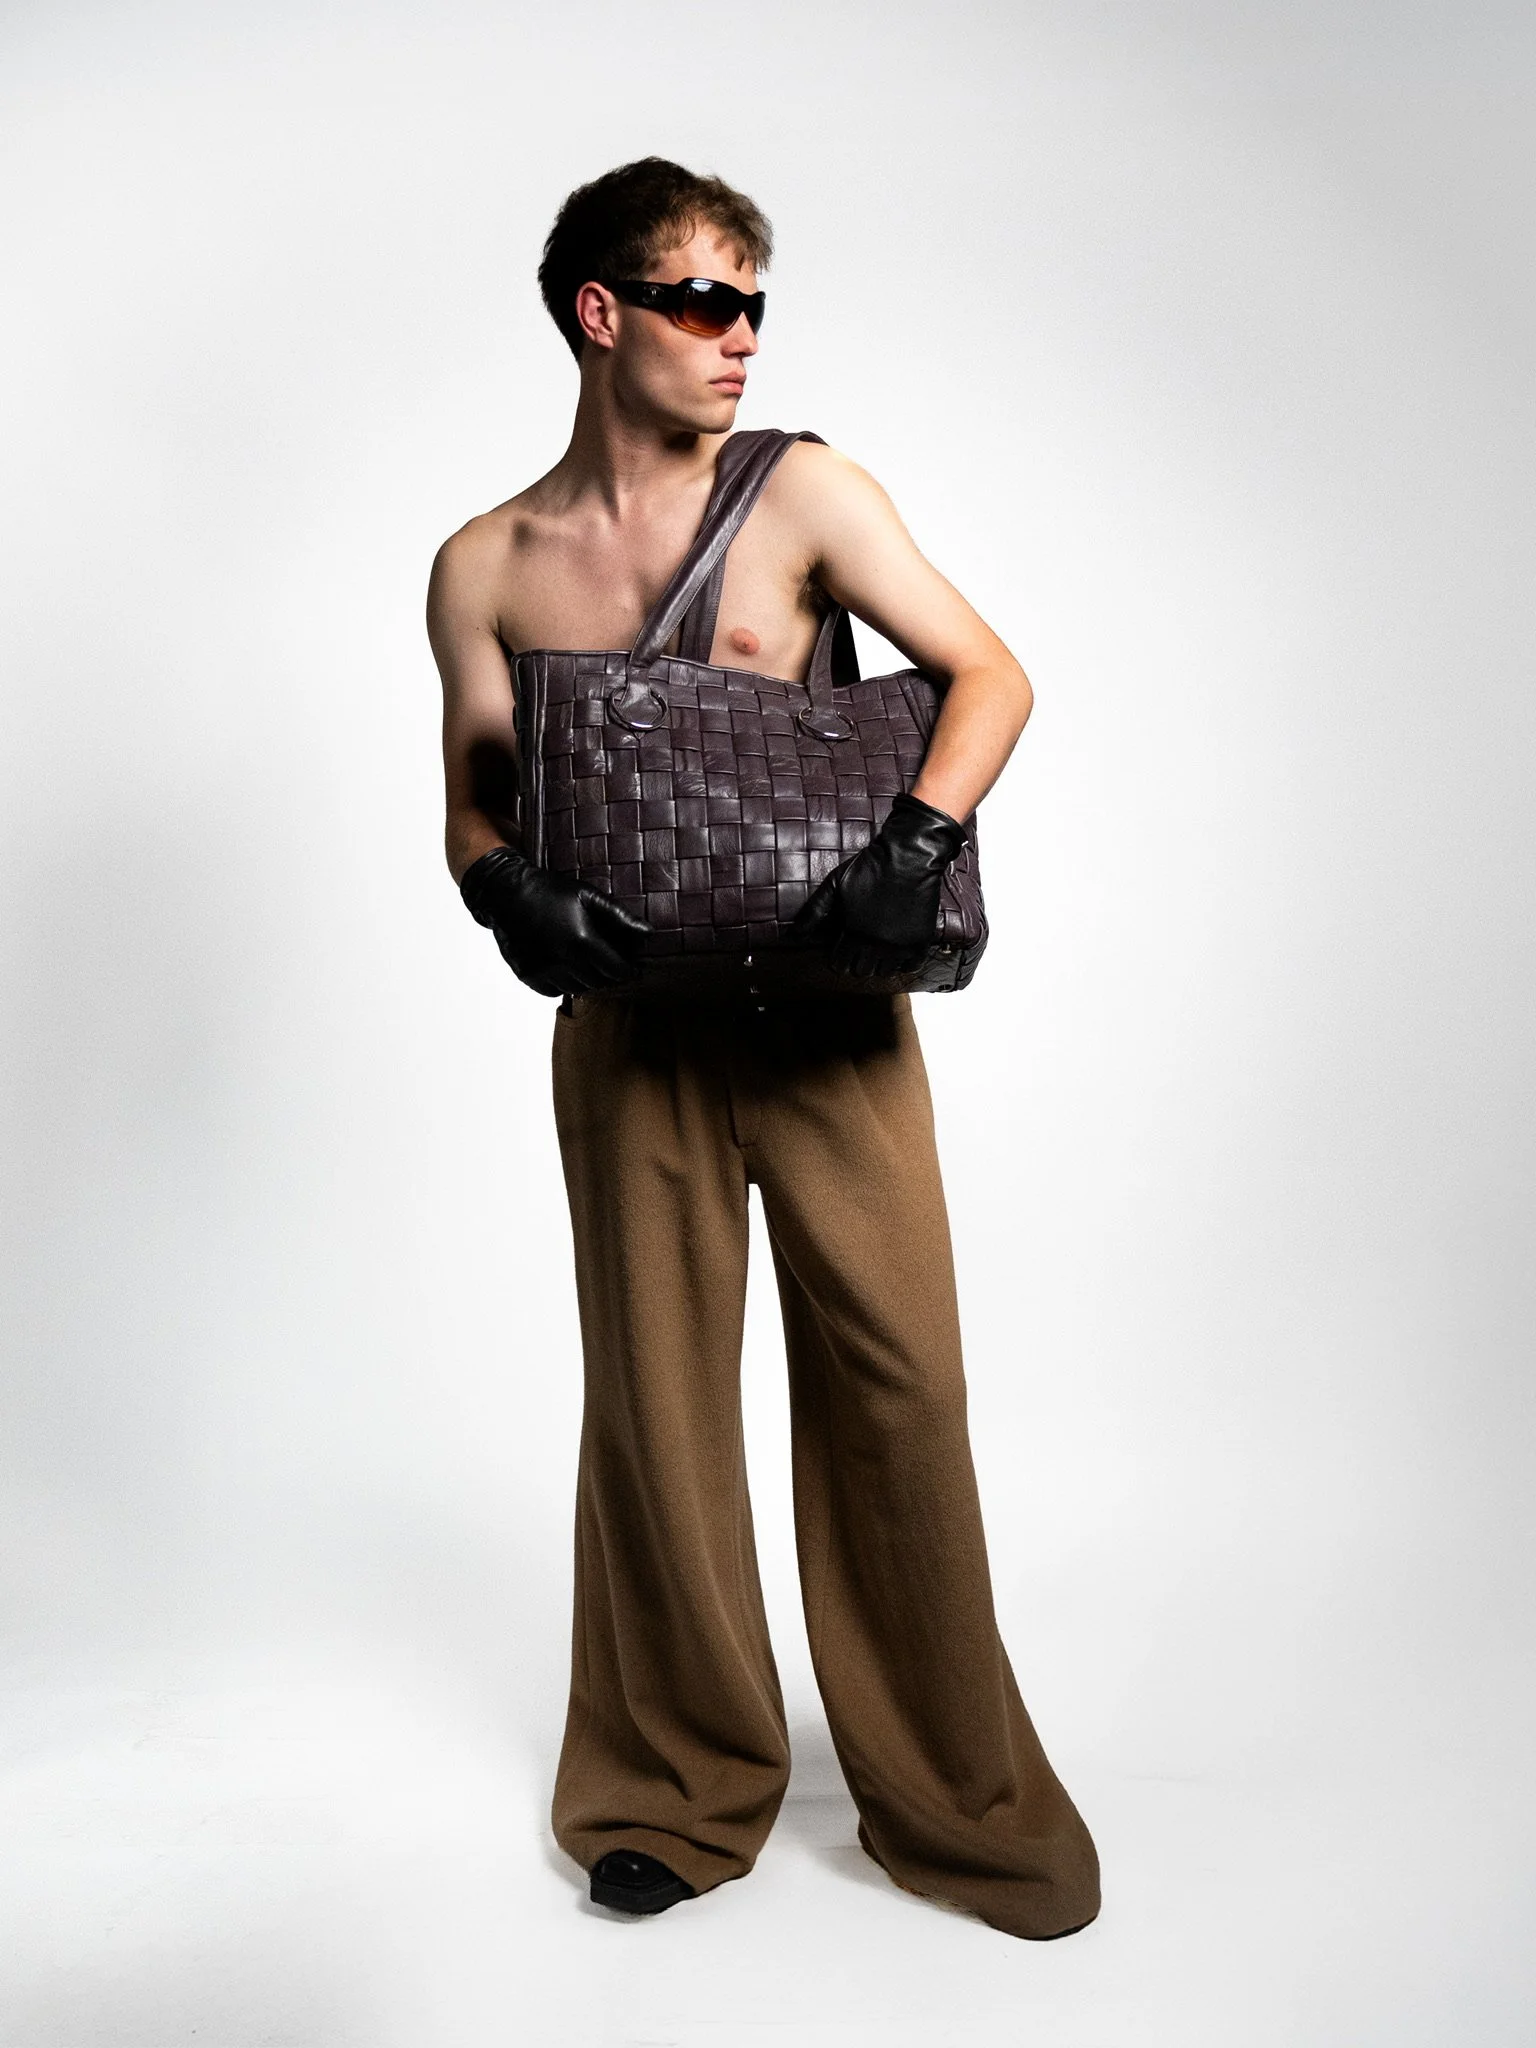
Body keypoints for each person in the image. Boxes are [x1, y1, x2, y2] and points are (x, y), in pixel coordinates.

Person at [425, 157, 1100, 1940]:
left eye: (754, 308)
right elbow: (471, 804)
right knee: (653, 1408)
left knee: (902, 1389)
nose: (740, 341)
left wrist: (918, 849)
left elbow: (990, 674)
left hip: (826, 1019)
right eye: (705, 303)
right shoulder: (485, 561)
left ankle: (962, 1806)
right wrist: (512, 902)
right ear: (603, 314)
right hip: (629, 1030)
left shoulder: (803, 490)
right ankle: (672, 1785)